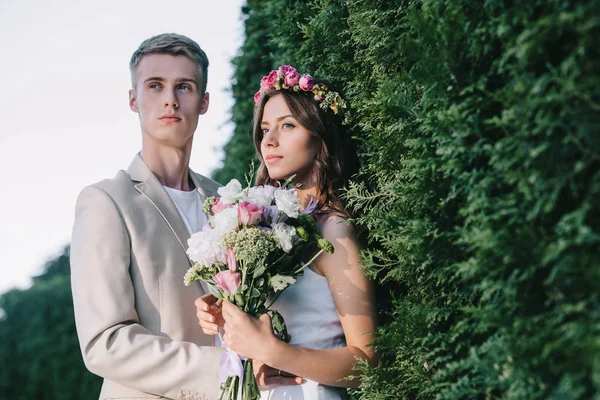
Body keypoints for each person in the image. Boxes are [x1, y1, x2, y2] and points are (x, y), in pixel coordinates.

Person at [70, 34, 299, 400]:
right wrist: (229, 372)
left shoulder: (232, 201)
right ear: (134, 99)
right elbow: (105, 341)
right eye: (155, 85)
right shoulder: (105, 202)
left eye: (185, 87)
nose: (170, 100)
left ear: (204, 101)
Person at [196, 66, 378, 400]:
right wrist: (228, 309)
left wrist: (272, 351)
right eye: (265, 129)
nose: (269, 140)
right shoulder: (263, 225)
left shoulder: (333, 229)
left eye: (288, 125)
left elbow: (368, 360)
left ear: (320, 135)